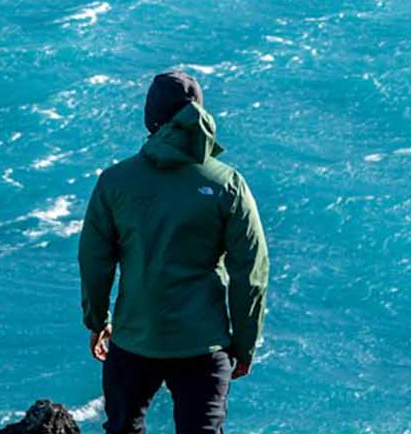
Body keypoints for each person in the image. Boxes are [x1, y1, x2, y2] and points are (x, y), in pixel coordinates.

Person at [77, 71, 270, 434]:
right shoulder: (227, 184)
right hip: (203, 344)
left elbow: (94, 260)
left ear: (150, 118)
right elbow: (251, 273)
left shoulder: (115, 181)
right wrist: (244, 345)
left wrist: (98, 320)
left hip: (134, 339)